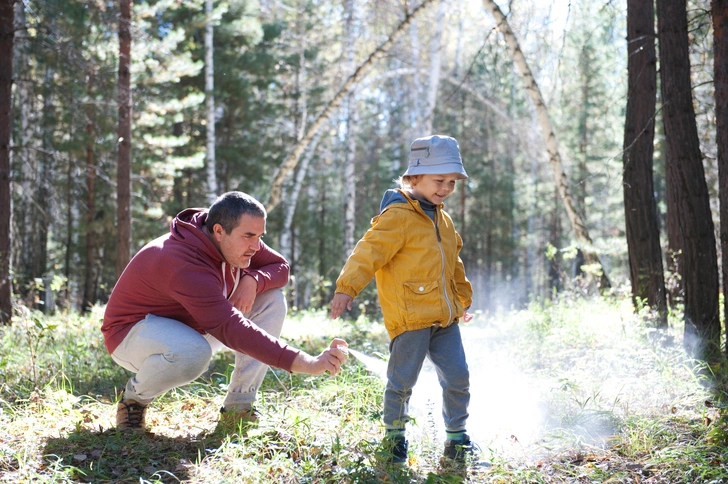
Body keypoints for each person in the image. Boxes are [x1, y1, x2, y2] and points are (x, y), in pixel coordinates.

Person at [103, 191, 348, 431]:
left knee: (272, 299)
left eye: (260, 236)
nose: (256, 246)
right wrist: (308, 363)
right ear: (219, 231)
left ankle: (239, 407)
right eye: (249, 236)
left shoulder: (230, 238)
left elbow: (280, 267)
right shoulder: (183, 263)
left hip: (195, 325)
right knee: (192, 353)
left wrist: (253, 280)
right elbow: (233, 330)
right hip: (132, 335)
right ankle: (134, 400)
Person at [330, 135, 475, 464]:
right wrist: (346, 288)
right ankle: (394, 438)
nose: (446, 188)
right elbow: (368, 253)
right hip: (410, 318)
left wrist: (462, 300)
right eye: (440, 180)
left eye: (452, 182)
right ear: (414, 178)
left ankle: (457, 438)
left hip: (445, 319)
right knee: (402, 380)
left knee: (458, 377)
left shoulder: (444, 219)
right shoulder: (397, 216)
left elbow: (453, 264)